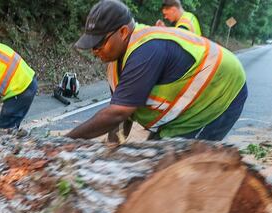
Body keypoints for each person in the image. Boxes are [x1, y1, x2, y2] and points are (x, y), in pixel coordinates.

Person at [67, 0, 247, 142]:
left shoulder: (146, 51)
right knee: (155, 160)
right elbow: (120, 117)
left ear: (122, 32)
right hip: (183, 115)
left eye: (99, 44)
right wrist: (112, 149)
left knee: (180, 168)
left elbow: (118, 113)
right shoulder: (116, 63)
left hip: (221, 94)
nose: (94, 51)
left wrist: (66, 141)